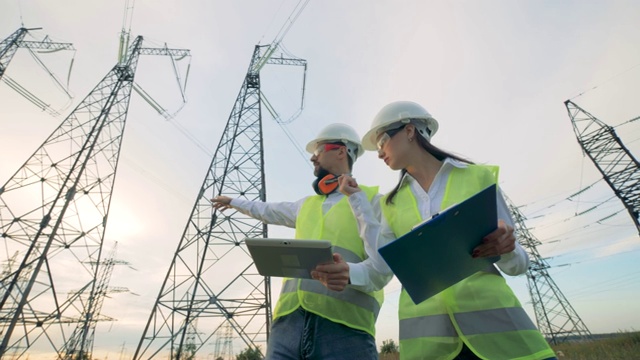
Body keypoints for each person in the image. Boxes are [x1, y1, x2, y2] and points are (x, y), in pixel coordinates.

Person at [312, 101, 557, 360]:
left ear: (409, 131)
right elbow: (379, 271)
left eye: (382, 140)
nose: (379, 152)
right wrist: (348, 271)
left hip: (500, 335)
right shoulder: (390, 204)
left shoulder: (477, 178)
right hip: (428, 344)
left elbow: (518, 265)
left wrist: (507, 250)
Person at [211, 123, 390, 360]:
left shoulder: (373, 200)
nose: (313, 158)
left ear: (341, 151)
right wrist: (234, 202)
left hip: (345, 327)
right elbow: (267, 210)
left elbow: (383, 263)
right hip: (287, 325)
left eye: (319, 150)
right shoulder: (305, 205)